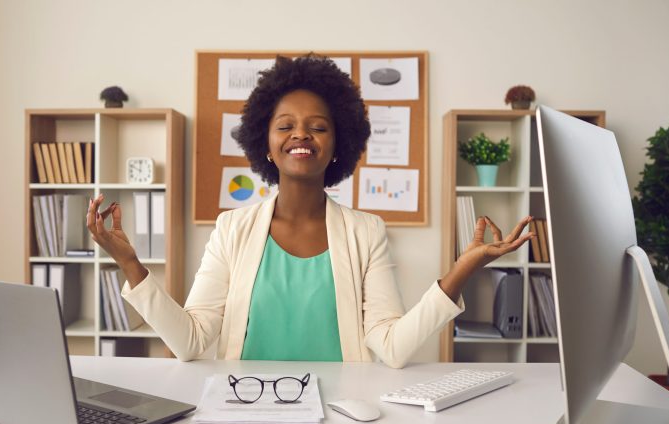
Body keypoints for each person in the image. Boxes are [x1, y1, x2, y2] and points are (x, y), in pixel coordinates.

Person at [87, 54, 533, 368]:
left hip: (339, 416)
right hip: (245, 409)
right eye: (286, 126)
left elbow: (393, 347)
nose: (301, 135)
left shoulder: (366, 232)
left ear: (339, 144)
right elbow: (189, 342)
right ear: (266, 141)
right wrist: (129, 262)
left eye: (318, 127)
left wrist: (463, 268)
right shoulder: (232, 229)